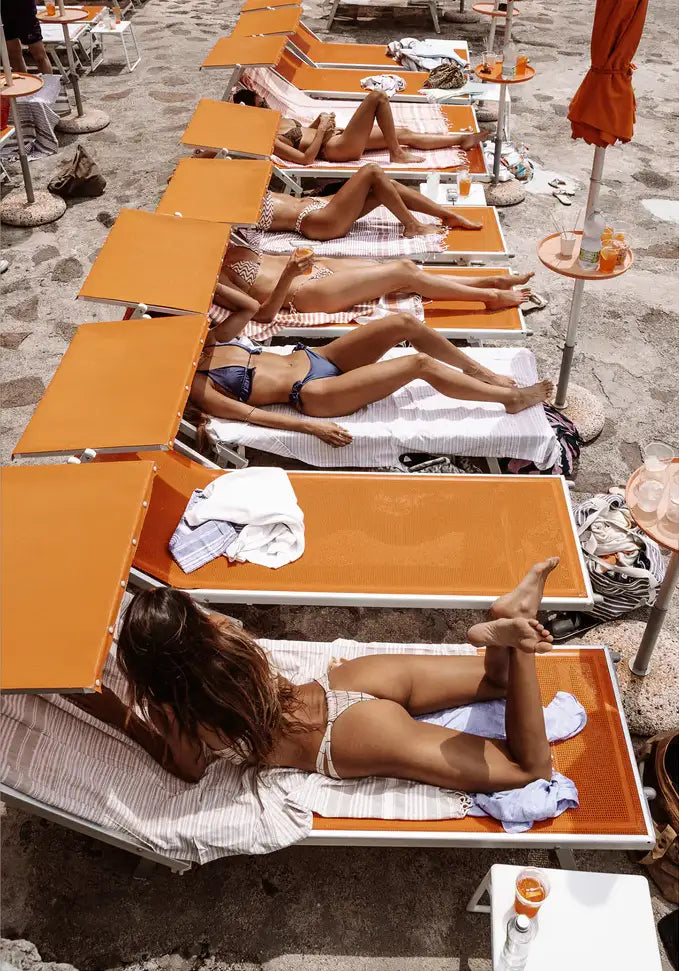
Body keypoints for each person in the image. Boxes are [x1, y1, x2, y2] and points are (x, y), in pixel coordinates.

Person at [109, 559, 558, 788]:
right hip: (345, 681)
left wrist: (156, 724)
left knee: (527, 769)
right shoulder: (227, 638)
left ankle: (519, 647)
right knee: (495, 680)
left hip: (341, 739)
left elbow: (190, 769)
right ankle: (503, 624)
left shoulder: (178, 707)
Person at [189, 314, 553, 449]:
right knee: (419, 364)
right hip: (313, 393)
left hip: (318, 358)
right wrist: (311, 428)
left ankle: (478, 371)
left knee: (403, 323)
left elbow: (246, 307)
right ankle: (510, 400)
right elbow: (251, 416)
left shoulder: (213, 339)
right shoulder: (199, 385)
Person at [218, 243, 536, 323]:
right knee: (402, 272)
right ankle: (489, 295)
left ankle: (485, 282)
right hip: (304, 292)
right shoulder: (214, 277)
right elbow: (261, 315)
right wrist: (289, 274)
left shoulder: (229, 238)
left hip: (317, 270)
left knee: (394, 272)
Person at [233, 88, 487, 166]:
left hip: (336, 136)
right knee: (377, 97)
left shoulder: (278, 120)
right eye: (262, 104)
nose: (267, 104)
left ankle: (459, 140)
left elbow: (305, 134)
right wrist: (322, 132)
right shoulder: (270, 137)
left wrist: (321, 121)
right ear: (254, 111)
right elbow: (305, 159)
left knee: (401, 133)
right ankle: (396, 154)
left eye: (264, 100)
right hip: (336, 149)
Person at [1, 0, 53, 75]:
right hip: (4, 11)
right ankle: (22, 81)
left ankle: (49, 82)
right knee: (13, 55)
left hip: (25, 10)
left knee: (39, 55)